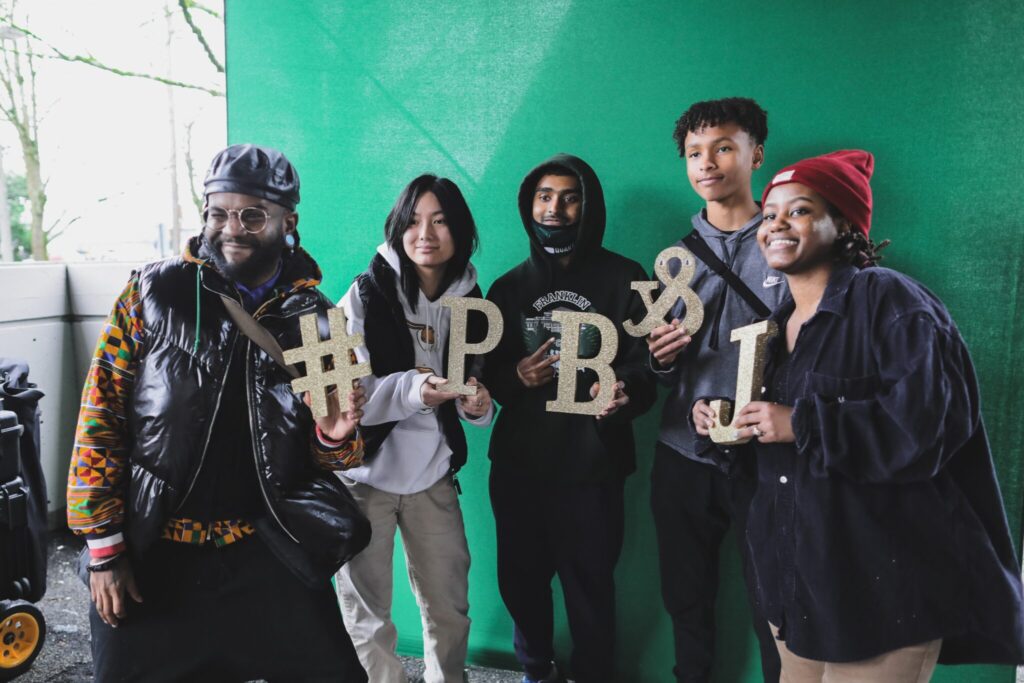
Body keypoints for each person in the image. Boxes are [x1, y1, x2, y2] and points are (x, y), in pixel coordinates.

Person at [696, 149, 1024, 680]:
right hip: (797, 589)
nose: (776, 224)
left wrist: (801, 423)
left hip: (885, 597)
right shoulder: (777, 326)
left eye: (799, 210)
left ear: (843, 223)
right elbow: (772, 439)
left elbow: (929, 427)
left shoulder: (892, 300)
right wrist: (724, 421)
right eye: (770, 211)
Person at [66, 144, 370, 682]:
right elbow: (100, 417)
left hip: (265, 552)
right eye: (218, 212)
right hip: (156, 553)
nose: (232, 227)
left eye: (252, 214)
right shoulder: (151, 291)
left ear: (287, 220)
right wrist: (104, 551)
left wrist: (333, 438)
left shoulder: (321, 321)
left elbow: (340, 456)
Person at [483, 153, 656, 683]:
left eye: (568, 196)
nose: (554, 208)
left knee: (590, 590)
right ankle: (537, 671)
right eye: (543, 196)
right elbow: (484, 380)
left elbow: (651, 365)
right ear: (528, 204)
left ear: (588, 204)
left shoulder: (626, 276)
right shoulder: (506, 288)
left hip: (592, 469)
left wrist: (624, 392)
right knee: (520, 584)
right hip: (519, 468)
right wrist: (517, 377)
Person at [334, 174, 493, 683]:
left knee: (449, 608)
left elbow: (473, 391)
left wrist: (478, 405)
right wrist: (412, 390)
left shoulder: (473, 301)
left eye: (441, 221)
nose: (426, 233)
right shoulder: (363, 294)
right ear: (398, 228)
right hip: (363, 479)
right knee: (366, 615)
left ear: (460, 231)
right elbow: (345, 398)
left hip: (433, 478)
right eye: (415, 220)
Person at [646, 97, 782, 682]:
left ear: (756, 154)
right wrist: (659, 364)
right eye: (695, 153)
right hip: (683, 454)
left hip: (771, 456)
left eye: (724, 147)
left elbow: (814, 352)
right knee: (686, 599)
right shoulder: (672, 261)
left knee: (778, 605)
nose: (708, 163)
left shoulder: (787, 243)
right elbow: (653, 371)